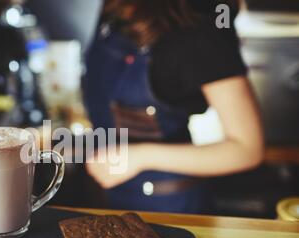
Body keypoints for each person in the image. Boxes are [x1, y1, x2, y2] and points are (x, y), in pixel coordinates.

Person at [83, 0, 264, 213]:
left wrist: (141, 157)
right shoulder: (116, 7)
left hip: (168, 204)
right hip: (110, 195)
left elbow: (247, 149)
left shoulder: (204, 23)